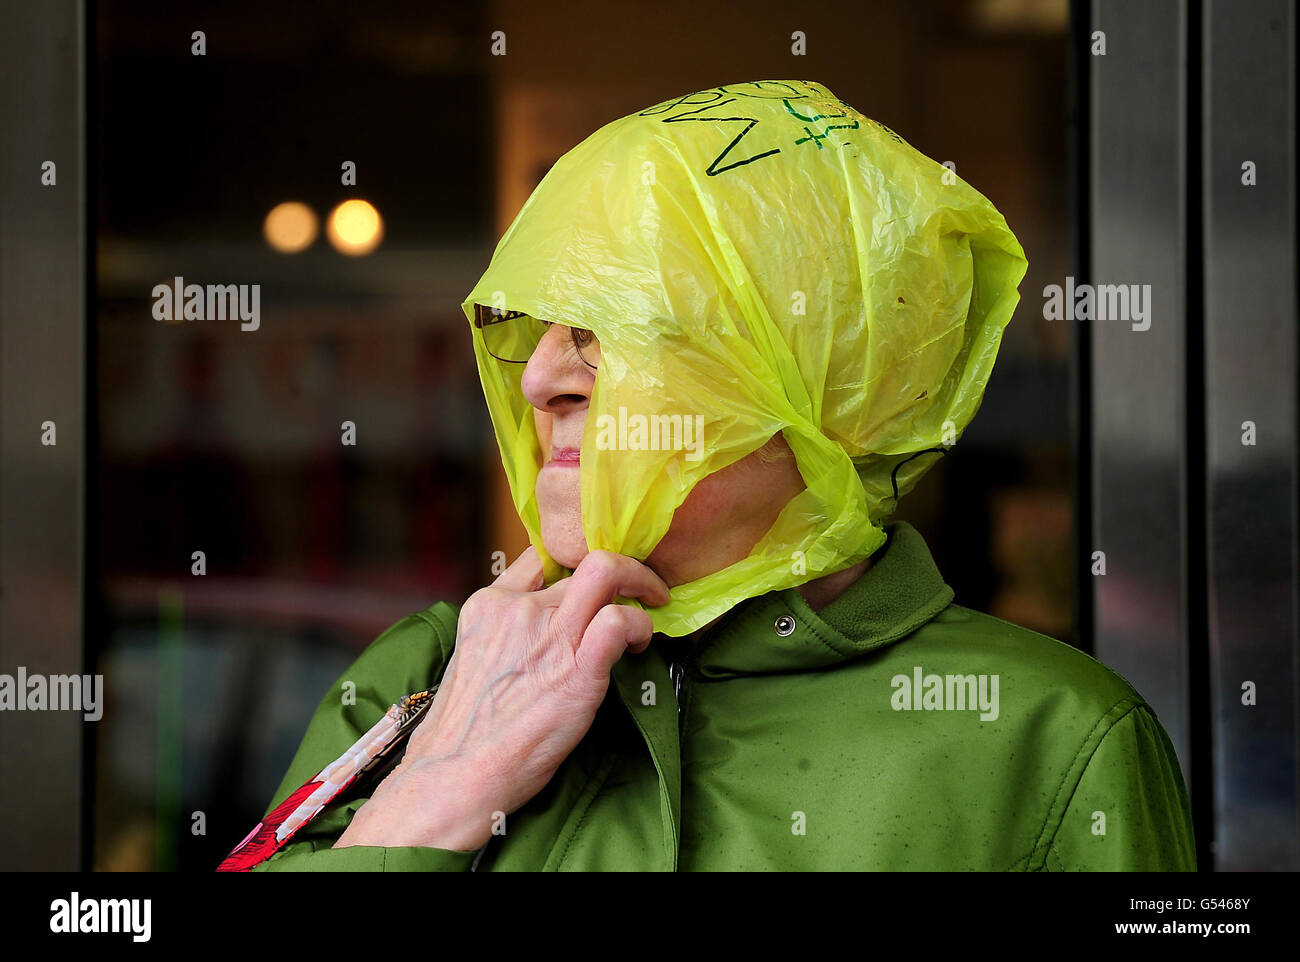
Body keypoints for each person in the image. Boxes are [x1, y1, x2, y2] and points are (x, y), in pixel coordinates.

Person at [240, 80, 1196, 871]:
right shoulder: (435, 675)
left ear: (822, 380)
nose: (539, 379)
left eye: (620, 330)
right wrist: (436, 795)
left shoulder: (1054, 742)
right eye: (537, 328)